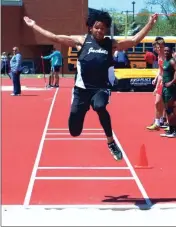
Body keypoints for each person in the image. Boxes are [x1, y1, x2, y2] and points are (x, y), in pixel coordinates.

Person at [24, 11, 158, 161]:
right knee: (74, 131)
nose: (100, 31)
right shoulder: (81, 41)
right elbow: (55, 37)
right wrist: (34, 25)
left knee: (100, 106)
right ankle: (77, 113)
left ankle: (111, 141)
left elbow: (134, 40)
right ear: (90, 28)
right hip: (81, 90)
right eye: (97, 27)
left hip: (100, 88)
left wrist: (150, 24)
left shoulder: (110, 44)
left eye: (103, 28)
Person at [160, 45, 176, 137]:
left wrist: (171, 82)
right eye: (164, 51)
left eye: (168, 51)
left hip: (170, 88)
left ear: (171, 51)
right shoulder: (165, 60)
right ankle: (171, 129)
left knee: (170, 109)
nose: (166, 52)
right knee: (167, 109)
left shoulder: (172, 61)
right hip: (165, 87)